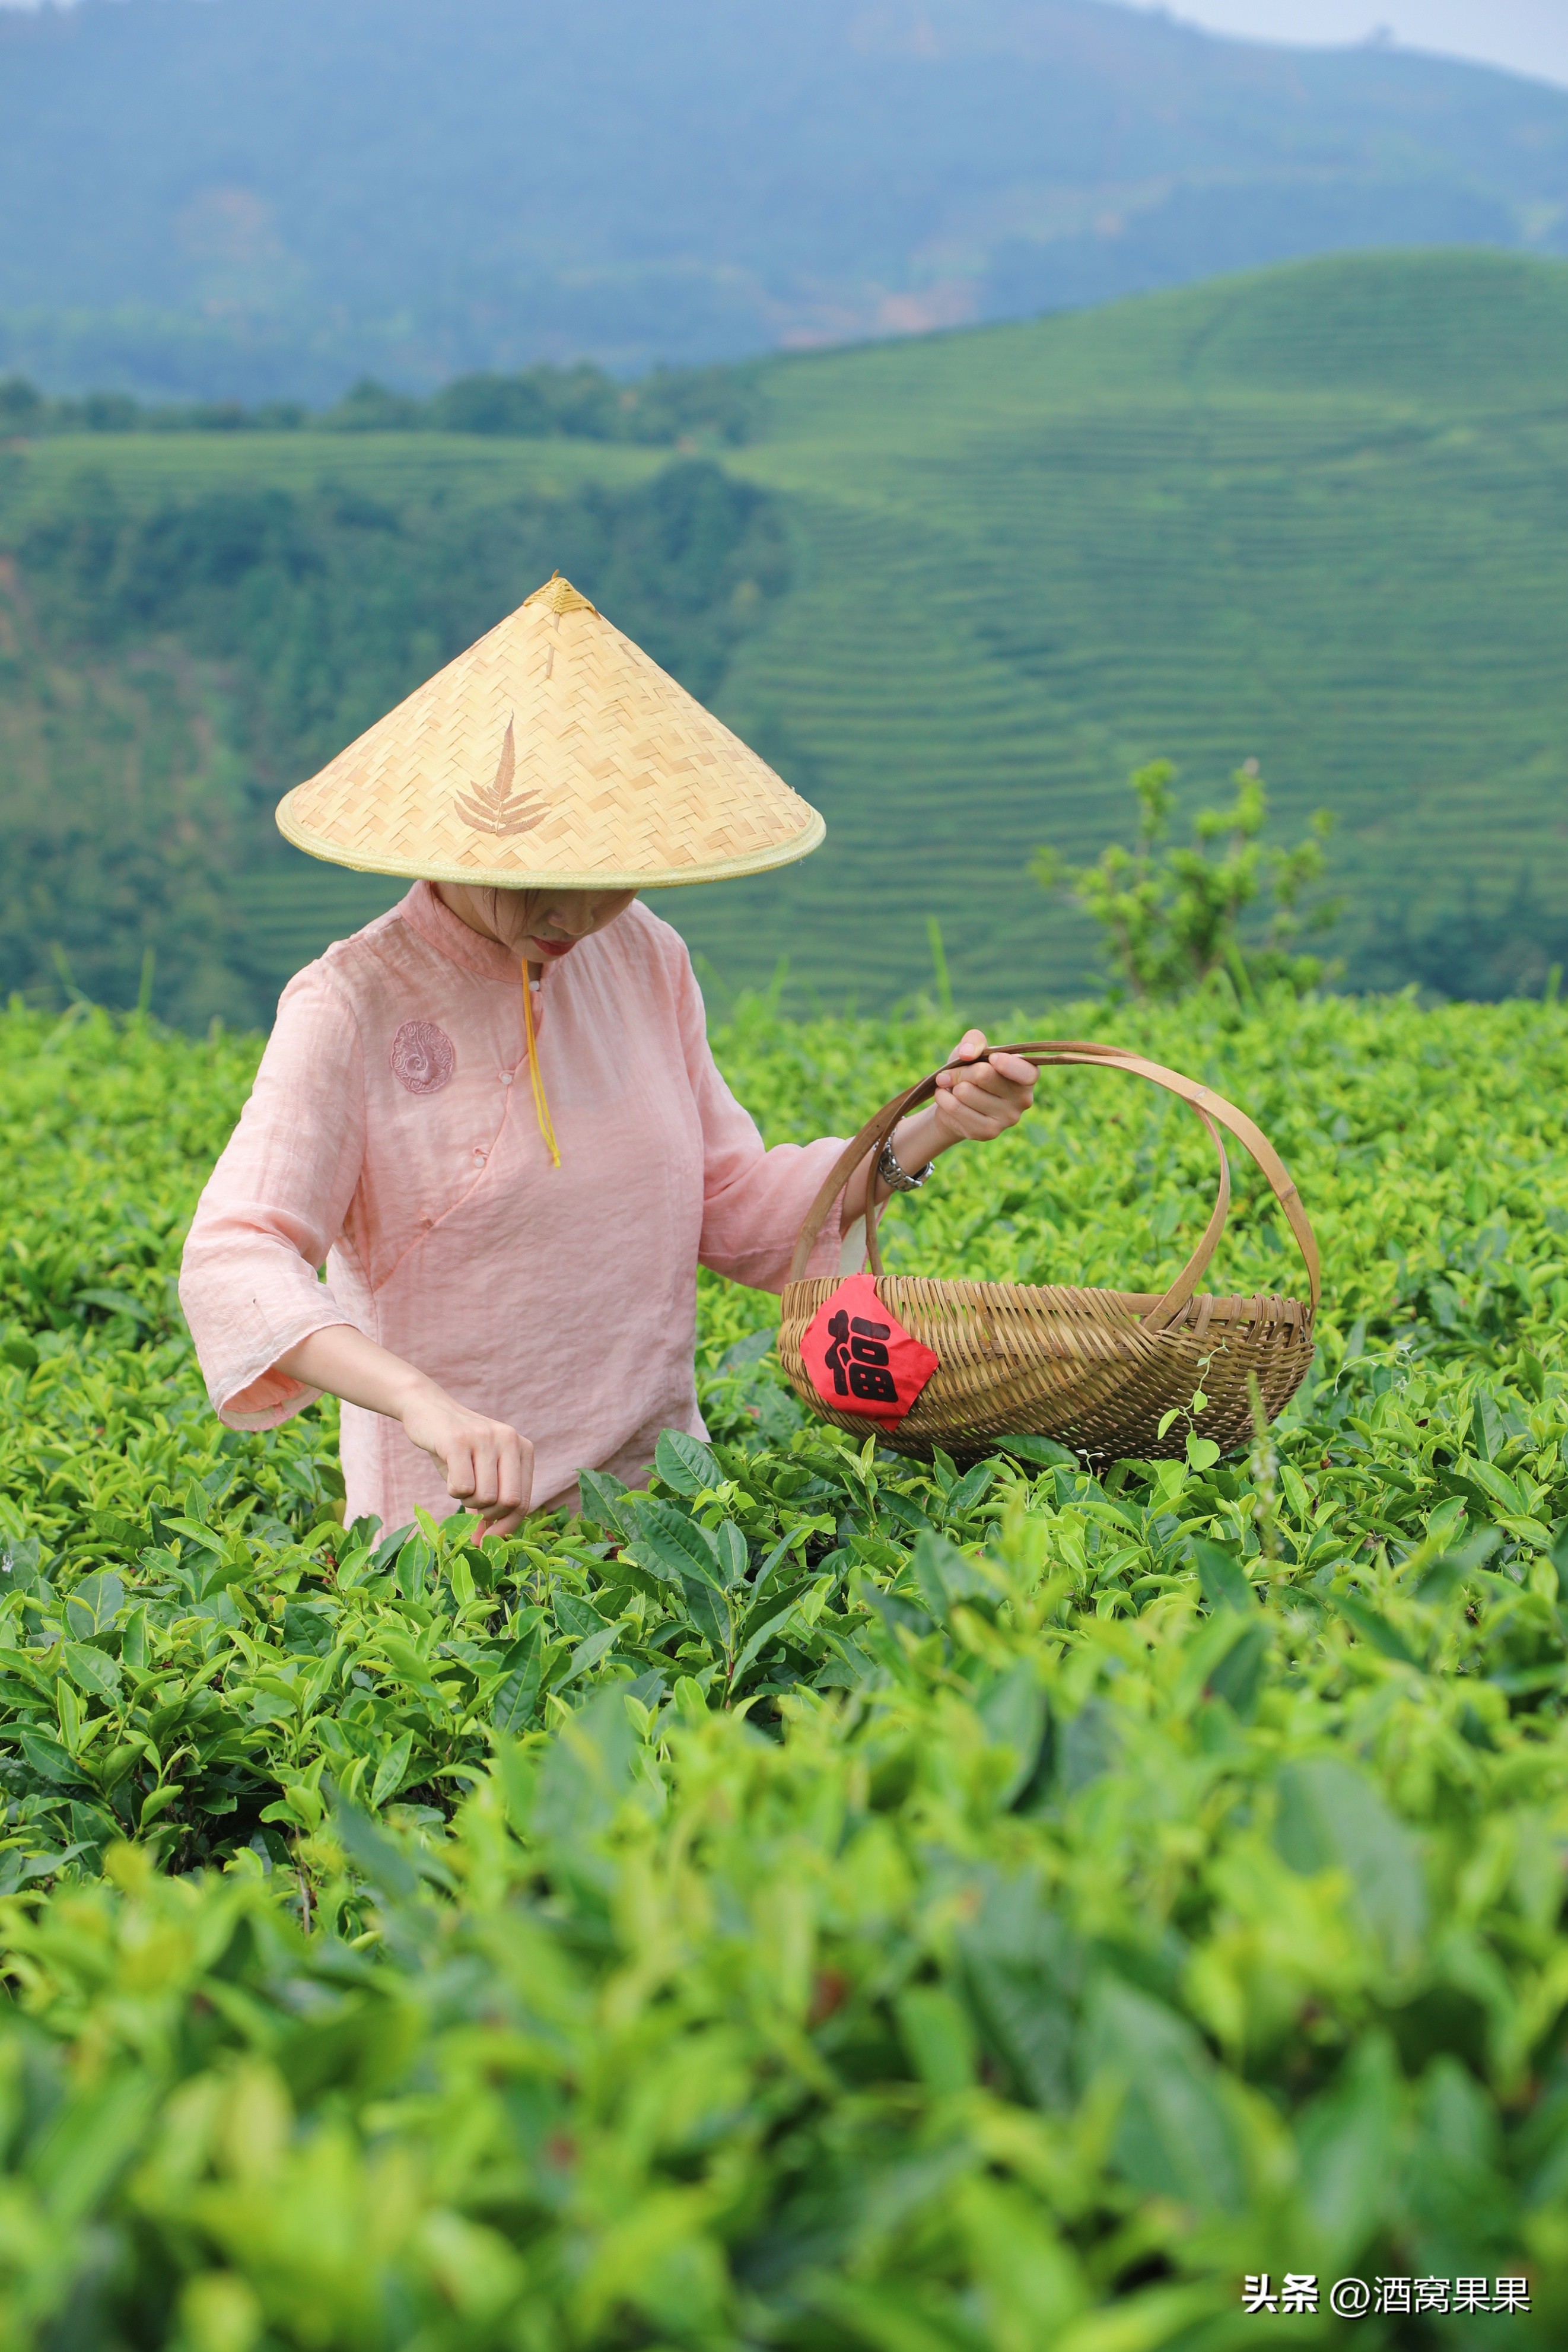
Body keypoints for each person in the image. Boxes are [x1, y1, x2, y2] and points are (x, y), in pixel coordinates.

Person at [179, 574, 1036, 1539]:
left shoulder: (645, 956)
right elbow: (235, 1257)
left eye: (609, 877)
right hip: (454, 1543)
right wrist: (419, 1402)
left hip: (660, 1520)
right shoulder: (351, 1003)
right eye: (536, 879)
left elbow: (733, 1206)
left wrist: (930, 1128)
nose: (575, 915)